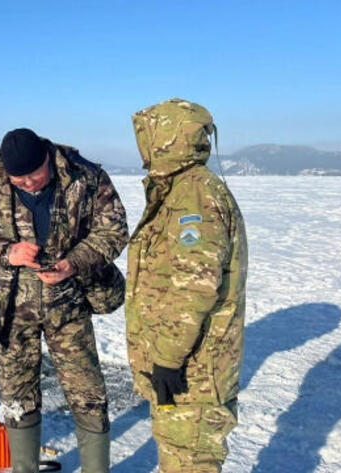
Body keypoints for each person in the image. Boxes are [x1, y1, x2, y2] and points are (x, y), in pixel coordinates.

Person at [0, 128, 128, 473]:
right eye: (19, 179)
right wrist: (7, 252)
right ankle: (24, 468)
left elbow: (114, 230)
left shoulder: (85, 176)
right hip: (9, 307)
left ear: (47, 158)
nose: (28, 183)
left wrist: (72, 263)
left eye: (34, 174)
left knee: (87, 393)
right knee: (17, 394)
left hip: (70, 302)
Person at [125, 98, 248, 473]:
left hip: (193, 367)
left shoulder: (194, 194)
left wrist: (166, 357)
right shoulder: (181, 188)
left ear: (168, 136)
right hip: (188, 363)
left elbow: (193, 287)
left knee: (190, 460)